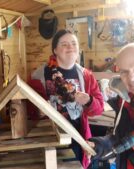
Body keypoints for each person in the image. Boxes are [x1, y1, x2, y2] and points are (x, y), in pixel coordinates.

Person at [28, 29, 104, 168]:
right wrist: (38, 112)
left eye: (74, 43)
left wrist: (89, 101)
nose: (70, 47)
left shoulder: (86, 76)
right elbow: (29, 111)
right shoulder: (38, 76)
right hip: (49, 140)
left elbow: (99, 109)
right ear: (55, 50)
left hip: (77, 139)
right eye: (64, 44)